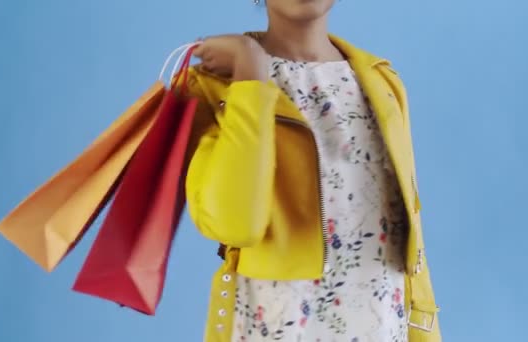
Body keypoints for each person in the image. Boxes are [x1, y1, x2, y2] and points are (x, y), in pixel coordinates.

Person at [183, 0, 441, 341]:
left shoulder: (381, 82)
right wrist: (250, 71)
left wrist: (425, 331)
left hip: (379, 328)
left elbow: (408, 236)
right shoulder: (216, 86)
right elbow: (235, 224)